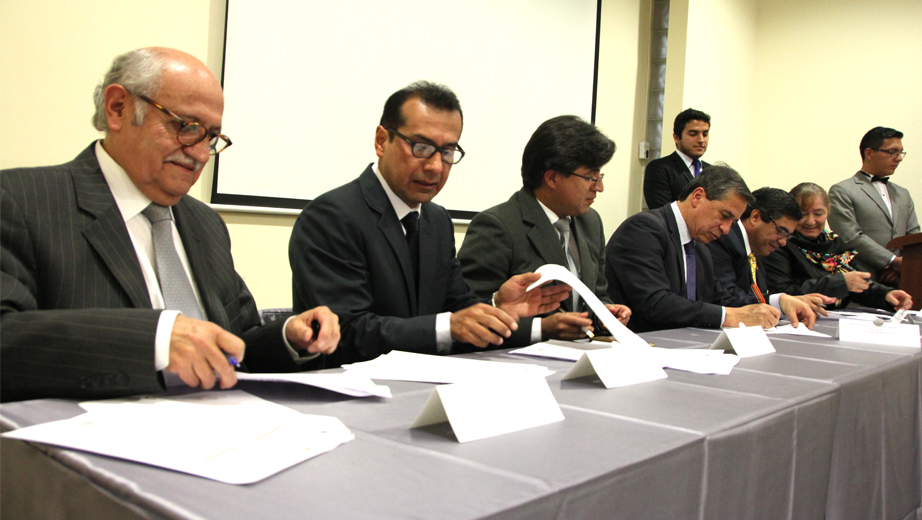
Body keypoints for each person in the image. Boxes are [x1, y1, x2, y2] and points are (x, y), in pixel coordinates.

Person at [0, 48, 340, 403]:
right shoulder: (22, 201)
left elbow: (237, 340)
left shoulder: (205, 223)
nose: (201, 155)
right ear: (118, 108)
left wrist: (289, 336)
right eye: (187, 127)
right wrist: (157, 340)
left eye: (211, 138)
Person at [289, 81, 568, 367]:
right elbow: (347, 333)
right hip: (350, 394)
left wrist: (497, 307)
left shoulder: (437, 220)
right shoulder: (331, 217)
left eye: (447, 152)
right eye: (421, 147)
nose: (436, 166)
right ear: (382, 141)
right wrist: (448, 327)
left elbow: (455, 307)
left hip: (424, 385)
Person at [457, 116, 631, 343]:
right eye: (591, 177)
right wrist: (541, 328)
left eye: (600, 177)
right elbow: (469, 314)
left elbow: (598, 294)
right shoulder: (497, 226)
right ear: (552, 177)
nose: (599, 187)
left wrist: (605, 315)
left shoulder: (590, 222)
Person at [605, 165, 815, 333]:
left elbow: (724, 299)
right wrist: (729, 317)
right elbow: (656, 304)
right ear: (697, 196)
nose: (725, 230)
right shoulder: (645, 229)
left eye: (732, 222)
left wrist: (778, 301)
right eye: (724, 216)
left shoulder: (699, 244)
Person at [764, 182, 913, 310]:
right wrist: (840, 283)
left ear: (828, 211)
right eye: (803, 214)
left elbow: (857, 283)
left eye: (818, 214)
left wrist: (886, 295)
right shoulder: (780, 245)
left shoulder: (835, 243)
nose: (811, 221)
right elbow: (782, 292)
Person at [707, 187, 829, 317]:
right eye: (781, 231)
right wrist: (779, 302)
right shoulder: (723, 239)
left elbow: (754, 295)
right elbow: (727, 297)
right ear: (755, 217)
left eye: (787, 236)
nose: (783, 242)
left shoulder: (756, 247)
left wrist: (790, 302)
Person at [828, 126, 919, 285]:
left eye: (900, 153)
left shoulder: (903, 193)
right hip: (863, 282)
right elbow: (850, 237)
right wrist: (892, 261)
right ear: (869, 153)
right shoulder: (842, 190)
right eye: (892, 152)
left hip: (904, 281)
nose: (899, 158)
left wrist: (904, 265)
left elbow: (914, 236)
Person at [643, 108, 712, 210]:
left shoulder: (713, 172)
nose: (701, 140)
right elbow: (663, 212)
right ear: (676, 138)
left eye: (705, 134)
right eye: (693, 134)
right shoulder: (660, 168)